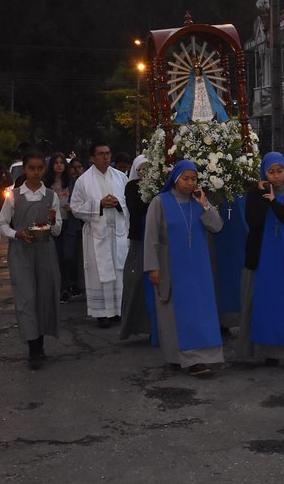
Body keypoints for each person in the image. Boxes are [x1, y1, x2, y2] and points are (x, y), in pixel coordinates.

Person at [143, 160, 224, 377]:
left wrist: (205, 204)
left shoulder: (198, 202)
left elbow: (217, 226)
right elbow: (151, 238)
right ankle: (177, 358)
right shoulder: (160, 202)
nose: (190, 183)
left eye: (193, 179)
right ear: (175, 179)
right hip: (171, 266)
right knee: (173, 314)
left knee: (201, 312)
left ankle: (203, 358)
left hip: (199, 267)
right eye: (185, 179)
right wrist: (152, 267)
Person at [235, 152, 284, 371]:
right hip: (260, 259)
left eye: (280, 171)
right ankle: (265, 351)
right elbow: (253, 221)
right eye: (271, 172)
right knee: (259, 302)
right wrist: (263, 198)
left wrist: (275, 204)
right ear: (264, 173)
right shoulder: (254, 195)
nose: (276, 176)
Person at [0, 151, 62, 369]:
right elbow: (1, 224)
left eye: (39, 168)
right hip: (21, 252)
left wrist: (53, 221)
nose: (35, 172)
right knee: (27, 297)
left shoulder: (51, 196)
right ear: (24, 170)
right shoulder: (13, 196)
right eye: (31, 168)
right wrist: (16, 234)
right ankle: (33, 348)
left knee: (43, 296)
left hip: (45, 251)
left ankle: (41, 344)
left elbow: (58, 230)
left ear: (44, 170)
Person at [70, 143, 130, 328]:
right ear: (92, 158)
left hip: (117, 232)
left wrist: (118, 202)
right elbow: (75, 207)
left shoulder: (121, 177)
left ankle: (118, 310)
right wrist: (99, 204)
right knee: (100, 272)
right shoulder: (83, 181)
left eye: (108, 153)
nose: (106, 157)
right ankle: (102, 313)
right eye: (101, 154)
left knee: (119, 270)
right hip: (97, 235)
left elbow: (129, 202)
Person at [120, 155, 156, 341]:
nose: (145, 173)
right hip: (139, 239)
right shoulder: (131, 187)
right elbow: (137, 208)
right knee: (136, 283)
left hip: (155, 239)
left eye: (149, 168)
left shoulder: (158, 186)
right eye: (142, 169)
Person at [43, 153, 81, 302]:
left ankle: (73, 283)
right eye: (56, 162)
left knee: (69, 255)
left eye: (61, 163)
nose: (59, 165)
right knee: (58, 257)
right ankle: (62, 289)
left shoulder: (71, 182)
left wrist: (73, 207)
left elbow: (79, 199)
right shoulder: (47, 184)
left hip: (69, 222)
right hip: (54, 224)